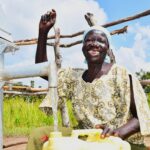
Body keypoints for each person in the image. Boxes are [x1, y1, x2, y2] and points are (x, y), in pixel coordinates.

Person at [26, 9, 150, 150]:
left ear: (107, 48)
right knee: (39, 135)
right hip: (85, 137)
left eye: (101, 41)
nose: (94, 43)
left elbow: (140, 117)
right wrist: (43, 33)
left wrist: (118, 133)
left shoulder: (122, 74)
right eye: (89, 40)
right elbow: (45, 72)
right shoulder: (73, 77)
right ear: (83, 47)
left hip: (122, 141)